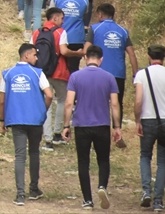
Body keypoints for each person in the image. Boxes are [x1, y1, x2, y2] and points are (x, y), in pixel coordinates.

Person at [63, 45, 122, 210]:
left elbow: (68, 103)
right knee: (103, 160)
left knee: (83, 162)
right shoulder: (109, 77)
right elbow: (115, 104)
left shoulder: (75, 77)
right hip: (102, 124)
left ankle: (88, 200)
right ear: (101, 59)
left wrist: (66, 125)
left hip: (82, 125)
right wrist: (117, 126)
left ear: (85, 58)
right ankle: (102, 186)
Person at [0, 43, 53, 206]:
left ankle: (20, 194)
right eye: (35, 55)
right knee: (34, 152)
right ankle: (34, 189)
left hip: (16, 119)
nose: (37, 58)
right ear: (26, 55)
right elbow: (49, 95)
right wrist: (43, 111)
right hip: (35, 120)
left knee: (19, 156)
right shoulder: (37, 73)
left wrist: (3, 120)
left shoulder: (7, 74)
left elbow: (2, 100)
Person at [133, 45, 165, 211]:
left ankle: (146, 191)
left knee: (145, 155)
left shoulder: (141, 74)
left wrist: (137, 120)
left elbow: (139, 101)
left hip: (147, 119)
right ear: (163, 58)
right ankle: (158, 201)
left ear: (149, 57)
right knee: (162, 161)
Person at [85, 3, 138, 142]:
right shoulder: (123, 31)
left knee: (97, 102)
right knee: (117, 102)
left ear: (100, 14)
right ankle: (117, 131)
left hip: (98, 72)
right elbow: (132, 54)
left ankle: (98, 131)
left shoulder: (94, 29)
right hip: (118, 73)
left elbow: (86, 50)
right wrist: (135, 74)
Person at [35, 7, 85, 148]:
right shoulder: (60, 32)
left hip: (42, 73)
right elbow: (63, 50)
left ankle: (48, 139)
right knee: (62, 100)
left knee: (46, 104)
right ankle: (58, 133)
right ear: (55, 18)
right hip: (59, 71)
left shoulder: (37, 32)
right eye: (62, 18)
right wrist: (77, 53)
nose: (63, 22)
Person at [53, 0, 89, 74]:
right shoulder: (84, 0)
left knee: (58, 68)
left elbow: (51, 18)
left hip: (59, 37)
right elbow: (84, 15)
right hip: (77, 38)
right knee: (73, 68)